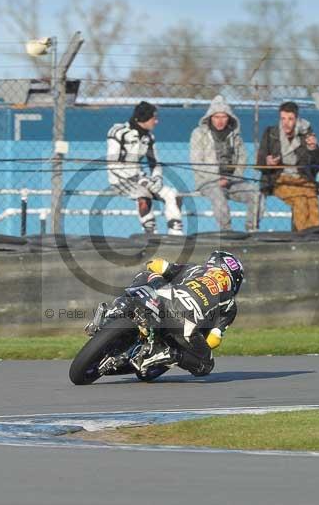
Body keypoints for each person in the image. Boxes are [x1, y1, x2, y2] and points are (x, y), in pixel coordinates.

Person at [110, 250, 243, 377]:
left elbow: (157, 265)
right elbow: (213, 340)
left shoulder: (195, 269)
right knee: (206, 365)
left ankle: (117, 309)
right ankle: (172, 354)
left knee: (145, 275)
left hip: (166, 300)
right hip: (187, 325)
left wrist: (154, 268)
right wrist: (195, 345)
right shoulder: (230, 303)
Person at [107, 101, 183, 235]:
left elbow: (154, 163)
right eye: (154, 118)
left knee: (173, 194)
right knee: (144, 195)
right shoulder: (118, 132)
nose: (157, 121)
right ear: (143, 118)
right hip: (119, 179)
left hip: (140, 178)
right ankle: (150, 231)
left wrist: (157, 178)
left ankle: (175, 232)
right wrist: (141, 181)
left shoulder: (149, 137)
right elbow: (112, 164)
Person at [190, 95, 260, 232]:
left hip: (232, 181)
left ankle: (252, 230)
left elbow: (242, 158)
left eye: (224, 117)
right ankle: (226, 231)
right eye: (216, 117)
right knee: (219, 198)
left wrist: (234, 177)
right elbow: (196, 162)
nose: (220, 121)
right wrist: (216, 179)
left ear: (229, 118)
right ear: (210, 117)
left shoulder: (235, 135)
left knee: (256, 194)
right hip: (208, 181)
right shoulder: (199, 134)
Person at [256, 101, 319, 231]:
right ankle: (302, 238)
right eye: (283, 118)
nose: (286, 123)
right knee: (300, 201)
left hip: (301, 179)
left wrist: (313, 148)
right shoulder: (271, 133)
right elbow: (260, 161)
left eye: (290, 119)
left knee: (313, 201)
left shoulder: (306, 135)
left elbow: (315, 164)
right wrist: (268, 162)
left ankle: (316, 238)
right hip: (278, 179)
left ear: (297, 119)